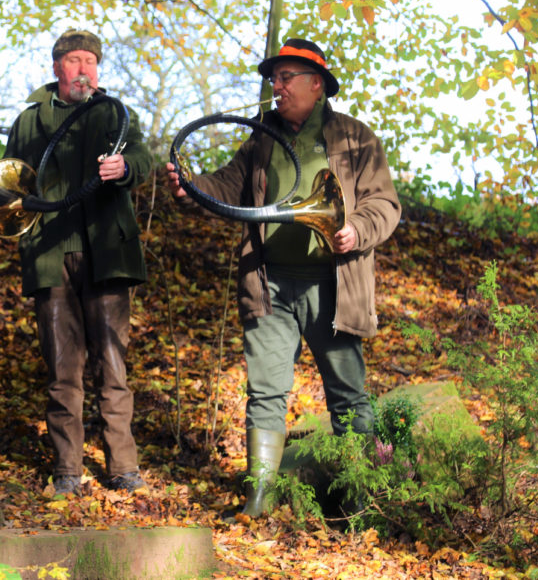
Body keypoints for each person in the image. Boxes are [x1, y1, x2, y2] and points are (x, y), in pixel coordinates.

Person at [164, 38, 400, 518]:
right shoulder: (262, 137)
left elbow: (385, 205)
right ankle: (260, 501)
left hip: (333, 288)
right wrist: (191, 188)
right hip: (270, 285)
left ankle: (361, 501)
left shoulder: (355, 138)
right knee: (265, 391)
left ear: (316, 85)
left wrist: (357, 229)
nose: (278, 86)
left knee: (348, 394)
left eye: (287, 77)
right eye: (274, 78)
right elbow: (229, 186)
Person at [0, 29, 153, 495]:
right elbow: (8, 182)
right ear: (56, 67)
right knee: (62, 370)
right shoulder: (31, 121)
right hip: (50, 255)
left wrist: (126, 168)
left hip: (107, 255)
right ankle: (68, 471)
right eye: (73, 61)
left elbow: (143, 158)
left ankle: (123, 468)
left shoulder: (115, 113)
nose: (83, 70)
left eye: (90, 61)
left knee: (113, 365)